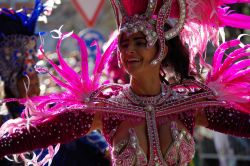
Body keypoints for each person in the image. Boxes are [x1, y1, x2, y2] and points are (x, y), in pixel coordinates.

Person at [0, 0, 250, 166]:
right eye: (124, 44)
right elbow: (39, 134)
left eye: (140, 42)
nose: (129, 50)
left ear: (161, 49)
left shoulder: (189, 106)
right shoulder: (105, 109)